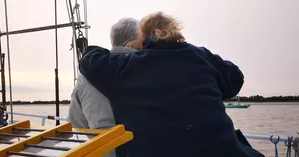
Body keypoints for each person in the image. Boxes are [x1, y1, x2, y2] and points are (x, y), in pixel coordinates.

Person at [79, 12, 264, 157]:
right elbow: (235, 78)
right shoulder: (200, 56)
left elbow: (89, 59)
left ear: (140, 39)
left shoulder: (127, 67)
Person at [67, 18, 139, 128]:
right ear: (138, 41)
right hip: (142, 143)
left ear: (112, 41)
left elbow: (76, 124)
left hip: (101, 144)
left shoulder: (85, 76)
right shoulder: (145, 69)